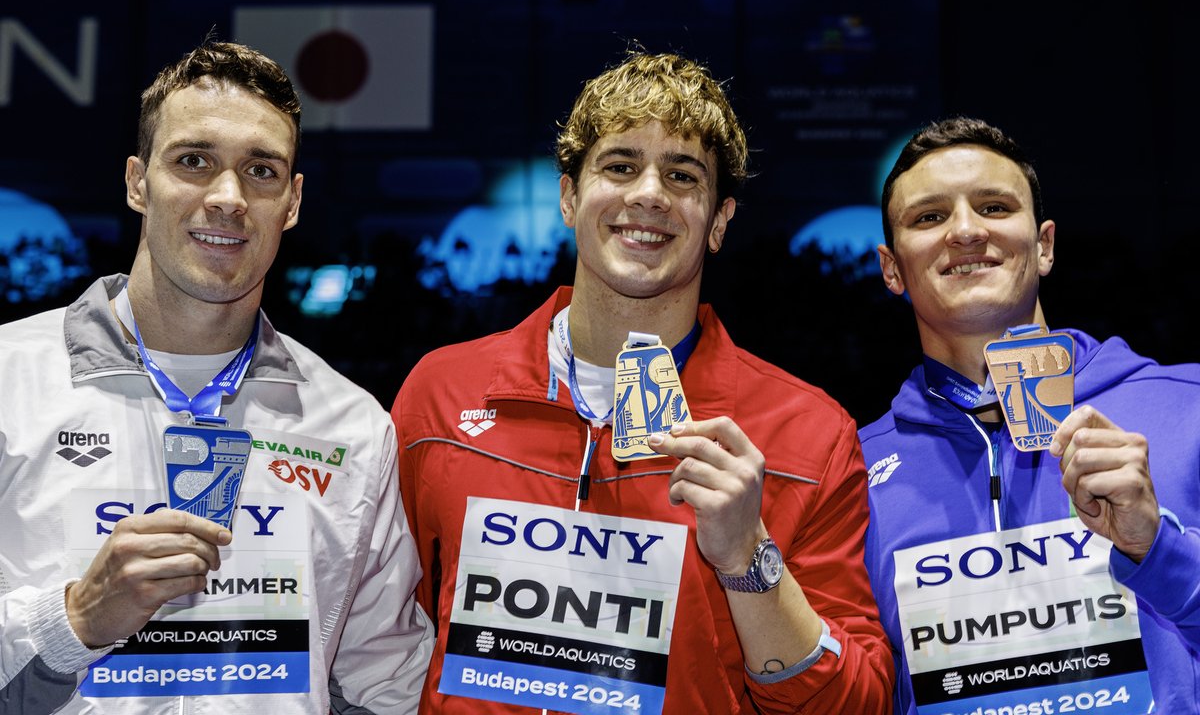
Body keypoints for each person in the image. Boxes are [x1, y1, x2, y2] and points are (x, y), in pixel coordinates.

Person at [391, 52, 892, 714]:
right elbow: (387, 636)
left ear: (718, 221)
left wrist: (747, 556)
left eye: (682, 175)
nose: (648, 194)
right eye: (620, 166)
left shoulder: (806, 435)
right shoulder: (442, 395)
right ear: (569, 197)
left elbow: (854, 704)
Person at [0, 41, 434, 713]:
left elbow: (385, 685)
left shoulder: (349, 427)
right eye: (194, 161)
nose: (228, 197)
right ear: (137, 182)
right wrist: (75, 619)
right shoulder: (10, 381)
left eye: (260, 171)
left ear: (290, 203)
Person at [861, 116, 1200, 714]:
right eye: (929, 217)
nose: (965, 231)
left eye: (993, 206)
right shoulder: (852, 468)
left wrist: (1159, 549)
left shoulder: (1187, 406)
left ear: (1044, 245)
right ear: (892, 269)